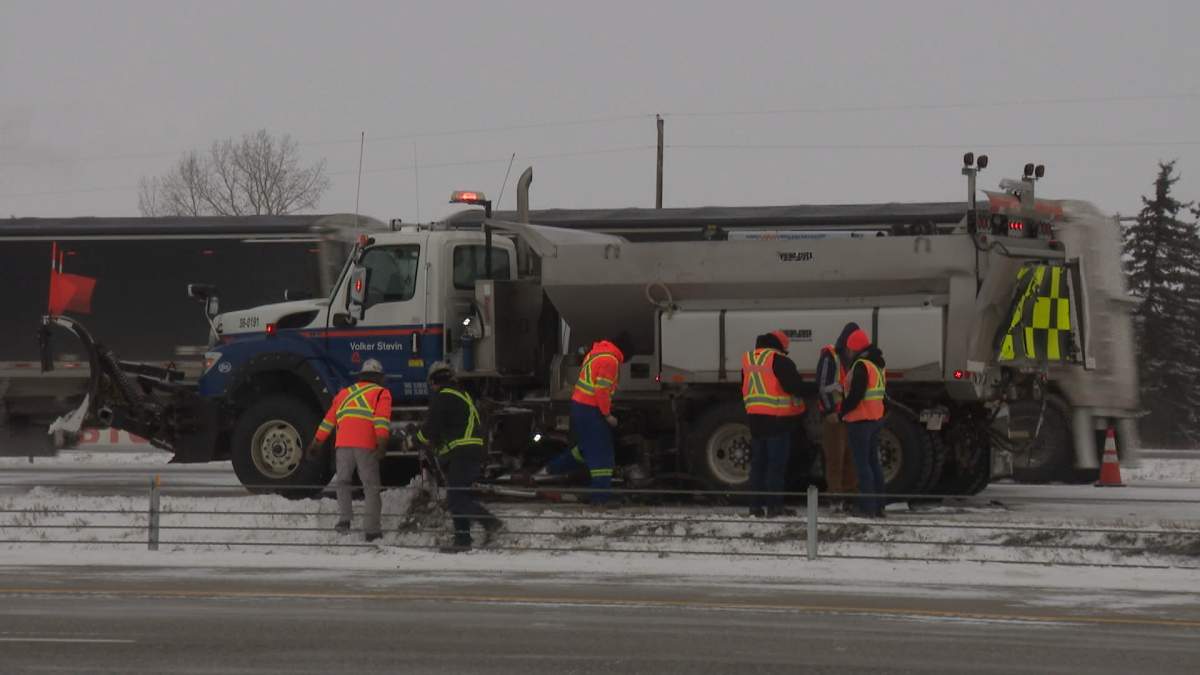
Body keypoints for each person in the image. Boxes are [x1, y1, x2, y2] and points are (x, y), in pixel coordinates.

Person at [415, 362, 500, 552]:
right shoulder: (462, 395)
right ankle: (463, 541)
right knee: (458, 496)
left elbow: (431, 427)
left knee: (455, 499)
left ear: (434, 381)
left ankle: (491, 524)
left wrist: (415, 440)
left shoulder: (443, 397)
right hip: (470, 452)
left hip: (462, 453)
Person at [307, 358, 391, 542]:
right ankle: (372, 531)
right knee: (370, 487)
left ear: (361, 377)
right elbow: (381, 421)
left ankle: (344, 521)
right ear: (379, 378)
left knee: (343, 482)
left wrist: (316, 443)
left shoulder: (344, 393)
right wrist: (382, 444)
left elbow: (329, 420)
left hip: (343, 444)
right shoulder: (381, 393)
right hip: (366, 445)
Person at [541, 334, 630, 504]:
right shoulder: (610, 360)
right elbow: (601, 391)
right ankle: (600, 498)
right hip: (592, 410)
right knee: (602, 454)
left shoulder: (596, 353)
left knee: (585, 449)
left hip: (581, 407)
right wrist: (608, 415)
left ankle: (549, 470)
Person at [742, 330, 806, 518]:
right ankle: (775, 507)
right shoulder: (780, 361)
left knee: (758, 465)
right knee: (775, 466)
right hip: (777, 421)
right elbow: (794, 387)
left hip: (755, 420)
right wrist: (818, 387)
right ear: (780, 346)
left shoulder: (749, 360)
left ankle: (755, 507)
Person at [839, 328, 888, 518]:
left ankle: (867, 507)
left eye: (849, 349)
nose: (848, 353)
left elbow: (856, 395)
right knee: (873, 463)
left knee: (862, 466)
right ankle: (878, 505)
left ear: (854, 349)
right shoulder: (877, 365)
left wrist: (842, 410)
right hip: (874, 419)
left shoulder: (861, 365)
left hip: (859, 421)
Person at [816, 323, 860, 504]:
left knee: (849, 457)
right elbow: (822, 386)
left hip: (846, 414)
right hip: (834, 415)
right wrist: (829, 411)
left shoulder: (848, 359)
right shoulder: (830, 356)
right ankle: (835, 497)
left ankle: (849, 496)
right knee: (835, 457)